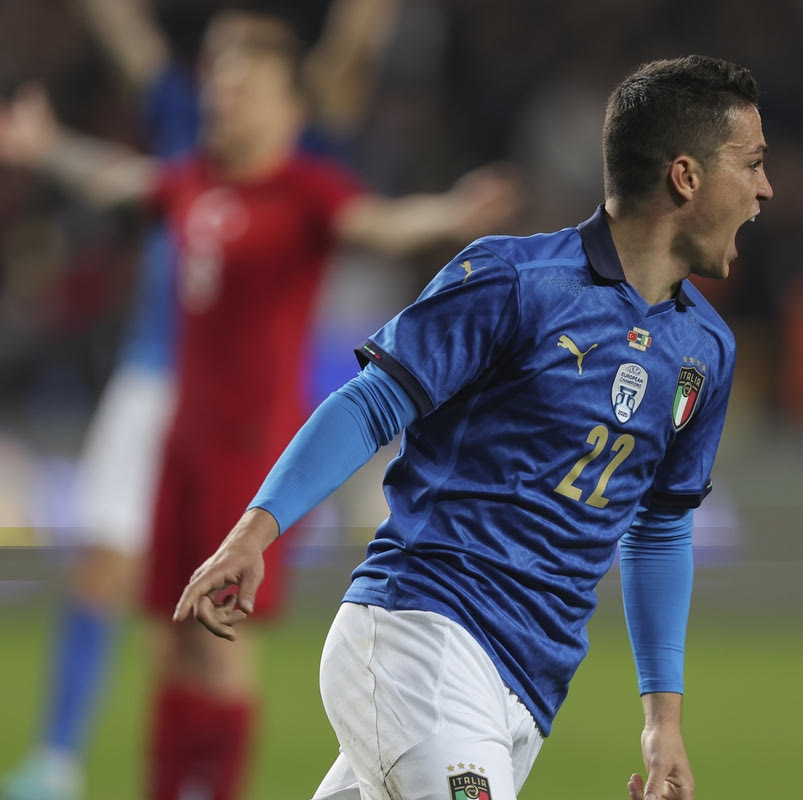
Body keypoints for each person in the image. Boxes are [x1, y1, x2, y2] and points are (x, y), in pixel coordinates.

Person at [174, 54, 773, 800]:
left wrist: (662, 720)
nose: (764, 189)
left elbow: (659, 527)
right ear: (686, 177)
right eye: (752, 163)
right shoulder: (517, 281)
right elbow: (372, 404)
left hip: (527, 690)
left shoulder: (705, 351)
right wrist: (254, 531)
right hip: (423, 638)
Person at [0, 11, 518, 800]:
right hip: (181, 443)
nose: (222, 98)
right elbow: (117, 178)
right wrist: (48, 149)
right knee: (171, 639)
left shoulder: (307, 192)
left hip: (250, 452)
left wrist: (451, 213)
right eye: (219, 84)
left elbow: (379, 225)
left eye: (243, 87)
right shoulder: (191, 181)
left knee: (220, 643)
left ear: (288, 110)